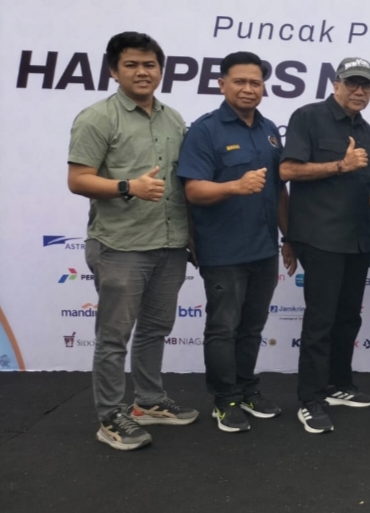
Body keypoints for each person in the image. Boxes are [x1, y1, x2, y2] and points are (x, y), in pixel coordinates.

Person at [67, 31, 198, 451]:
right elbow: (78, 180)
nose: (142, 72)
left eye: (149, 64)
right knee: (113, 338)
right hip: (120, 246)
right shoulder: (97, 118)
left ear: (161, 70)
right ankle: (110, 416)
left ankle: (148, 401)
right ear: (114, 70)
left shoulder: (173, 118)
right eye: (131, 64)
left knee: (156, 328)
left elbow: (180, 185)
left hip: (170, 245)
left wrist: (191, 238)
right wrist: (128, 186)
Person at [177, 52, 296, 433]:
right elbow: (193, 190)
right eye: (240, 81)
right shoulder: (205, 130)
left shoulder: (269, 129)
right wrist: (234, 186)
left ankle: (246, 389)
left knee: (252, 327)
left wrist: (289, 236)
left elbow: (278, 190)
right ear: (222, 84)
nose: (248, 89)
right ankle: (224, 398)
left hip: (264, 249)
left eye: (255, 83)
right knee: (223, 328)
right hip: (223, 250)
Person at [280, 57, 370, 434]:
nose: (359, 91)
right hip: (320, 237)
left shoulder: (367, 130)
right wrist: (340, 165)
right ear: (336, 84)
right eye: (352, 83)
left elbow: (367, 188)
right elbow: (287, 170)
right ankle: (310, 399)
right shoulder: (308, 116)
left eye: (366, 85)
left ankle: (338, 384)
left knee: (348, 317)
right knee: (320, 321)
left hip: (357, 239)